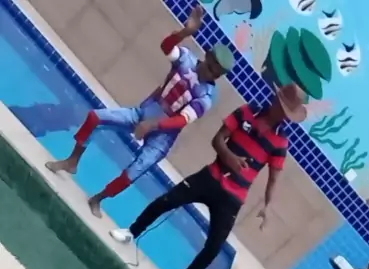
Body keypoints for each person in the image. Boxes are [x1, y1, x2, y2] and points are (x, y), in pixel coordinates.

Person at [110, 84, 308, 269]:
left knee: (214, 247)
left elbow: (274, 177)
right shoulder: (247, 111)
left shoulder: (281, 142)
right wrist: (230, 157)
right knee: (167, 201)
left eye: (288, 113)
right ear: (275, 101)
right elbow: (217, 139)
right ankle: (131, 232)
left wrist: (267, 206)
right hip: (211, 177)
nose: (284, 116)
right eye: (283, 109)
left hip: (234, 197)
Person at [45, 6, 235, 218]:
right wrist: (185, 32)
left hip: (163, 136)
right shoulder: (186, 60)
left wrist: (153, 125)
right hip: (144, 113)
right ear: (207, 56)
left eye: (217, 73)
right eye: (211, 67)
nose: (211, 74)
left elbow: (182, 120)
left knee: (133, 172)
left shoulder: (207, 97)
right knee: (95, 117)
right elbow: (166, 46)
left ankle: (98, 199)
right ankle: (72, 161)